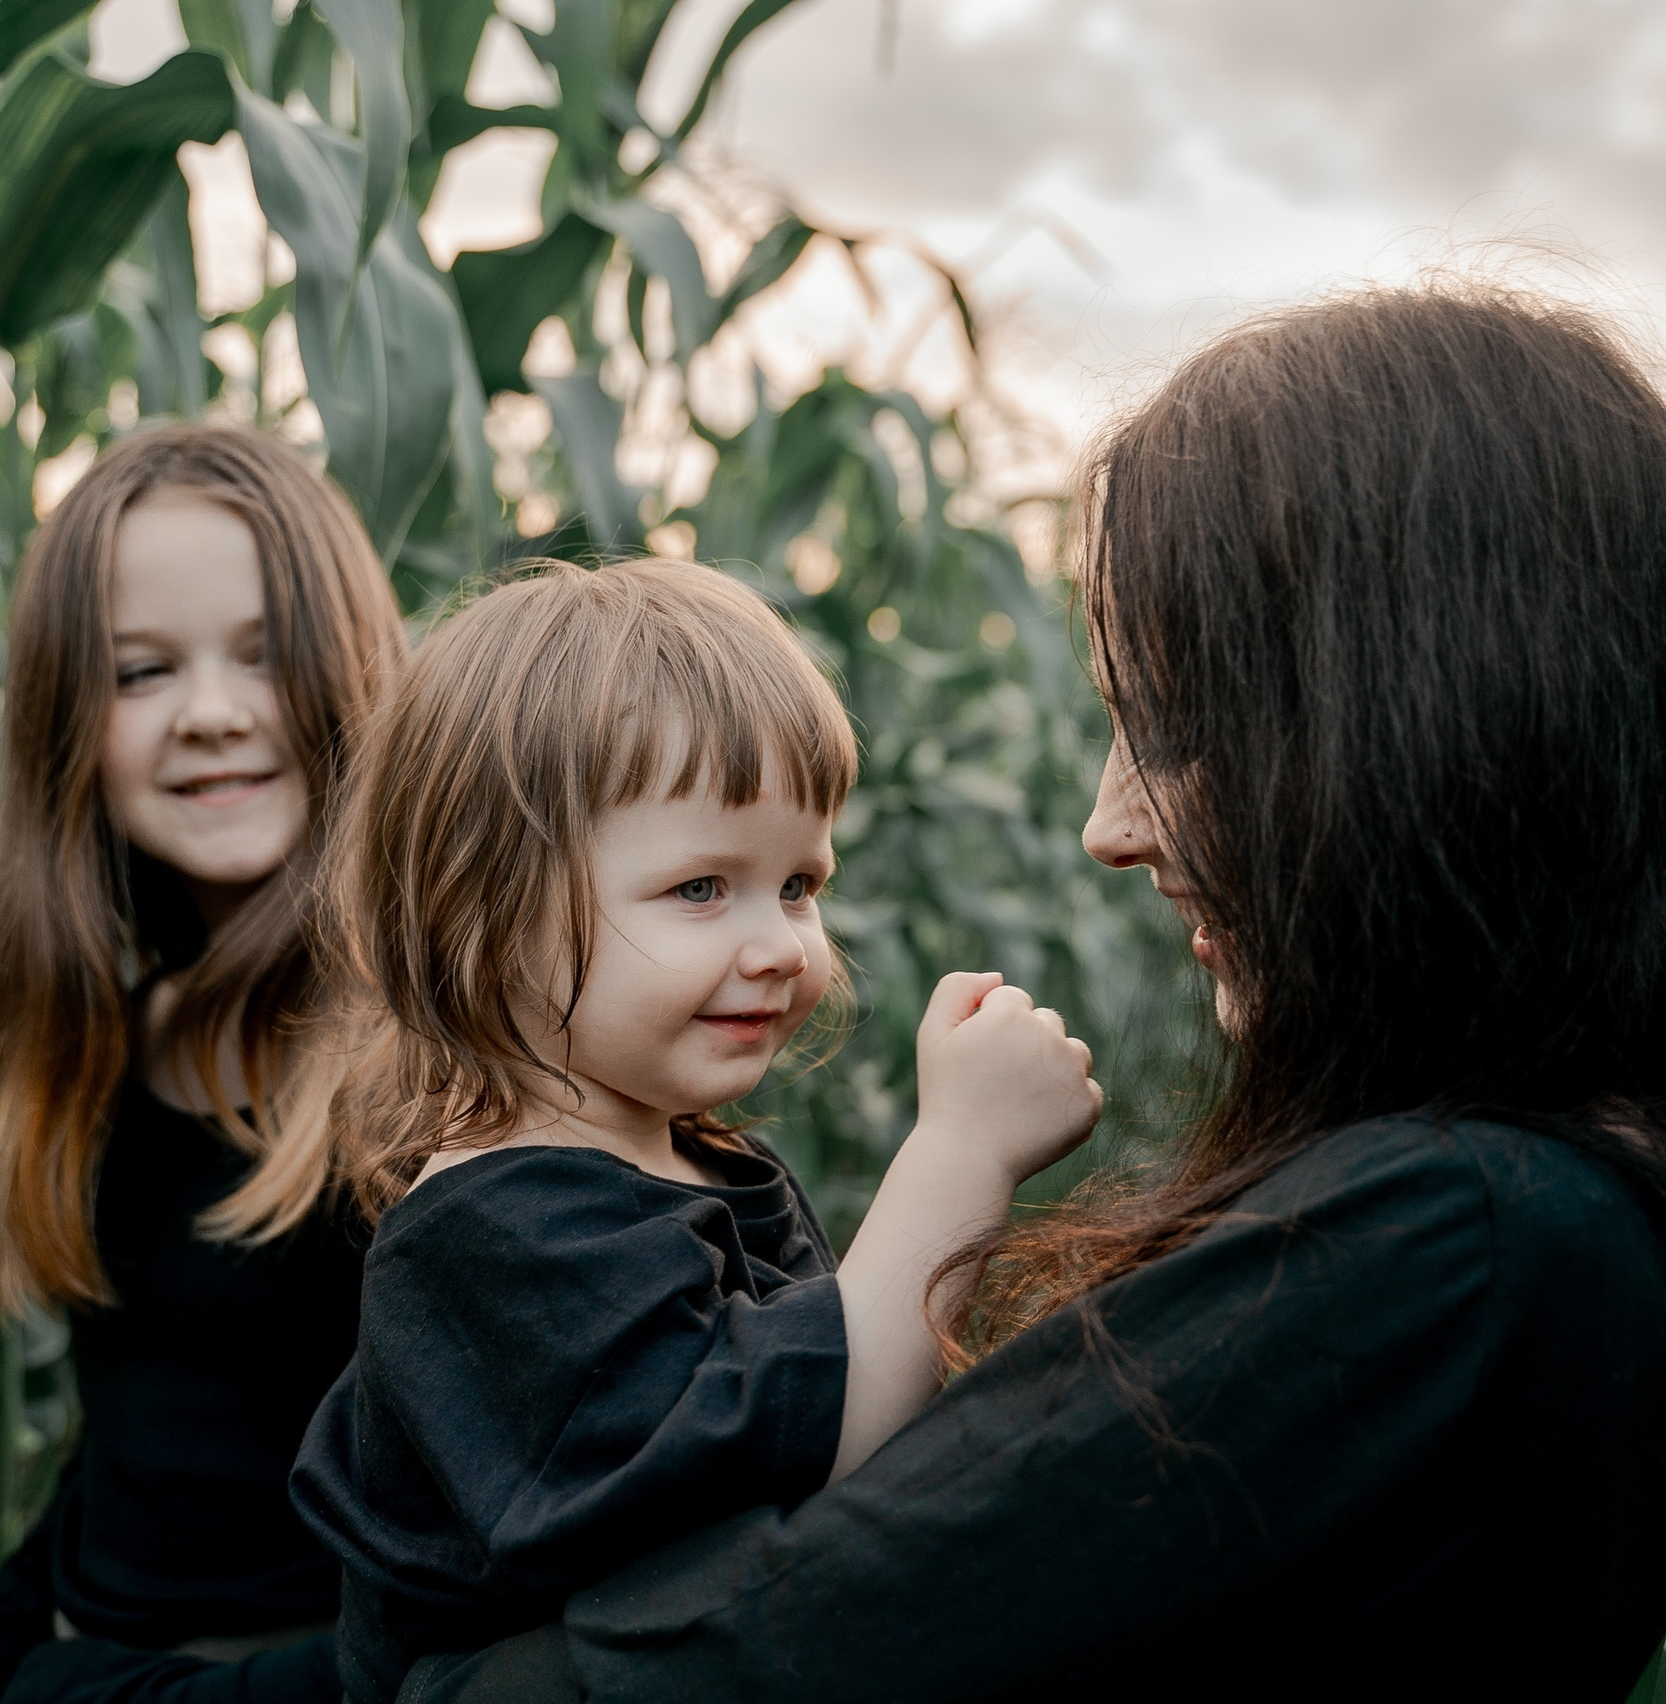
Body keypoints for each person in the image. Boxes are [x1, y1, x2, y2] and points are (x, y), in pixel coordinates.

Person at [391, 287, 1666, 1702]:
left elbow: (757, 1653)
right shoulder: (1587, 1224)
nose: (1108, 825)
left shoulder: (1474, 1248)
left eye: (1170, 726)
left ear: (1422, 723)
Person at [284, 559, 1104, 1703]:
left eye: (799, 883)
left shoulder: (695, 1161)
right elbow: (812, 1449)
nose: (779, 945)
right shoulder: (498, 1232)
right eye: (702, 887)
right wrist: (962, 1150)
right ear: (484, 909)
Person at [0, 424, 408, 1704]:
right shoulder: (104, 1034)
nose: (211, 712)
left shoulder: (437, 1063)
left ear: (358, 668)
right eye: (141, 671)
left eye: (266, 652)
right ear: (65, 725)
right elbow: (138, 1442)